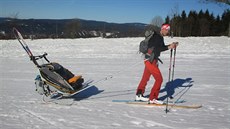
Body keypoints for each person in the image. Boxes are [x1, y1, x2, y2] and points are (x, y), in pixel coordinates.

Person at [135, 24, 178, 104]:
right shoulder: (157, 36)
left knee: (145, 78)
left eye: (168, 30)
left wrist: (170, 45)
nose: (167, 32)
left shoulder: (159, 37)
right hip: (150, 60)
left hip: (150, 59)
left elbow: (160, 48)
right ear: (163, 29)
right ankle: (153, 98)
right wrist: (169, 47)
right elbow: (156, 49)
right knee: (159, 79)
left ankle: (139, 95)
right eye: (167, 30)